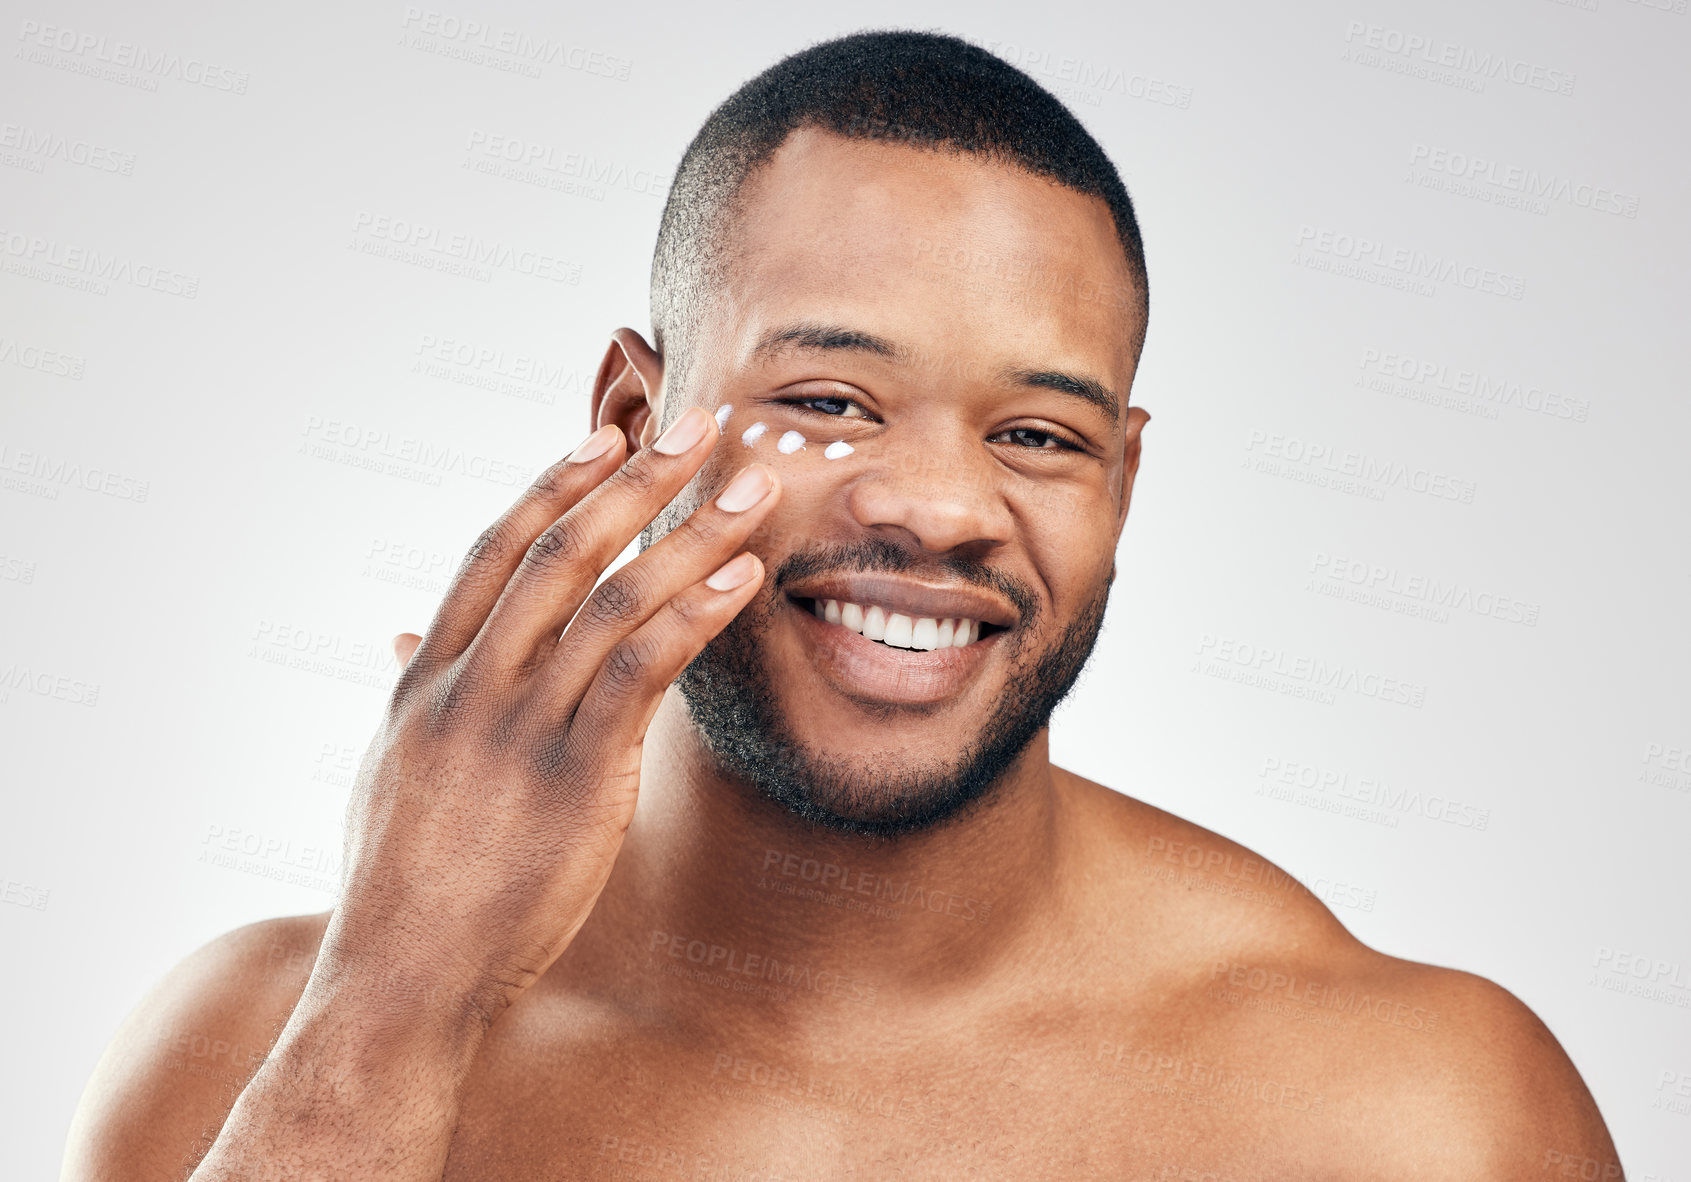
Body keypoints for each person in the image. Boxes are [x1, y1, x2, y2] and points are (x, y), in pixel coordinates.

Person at [60, 29, 1621, 1181]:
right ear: (628, 418)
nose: (937, 509)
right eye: (830, 400)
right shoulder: (247, 1054)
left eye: (1037, 435)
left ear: (1122, 490)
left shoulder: (1407, 1111)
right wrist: (392, 1010)